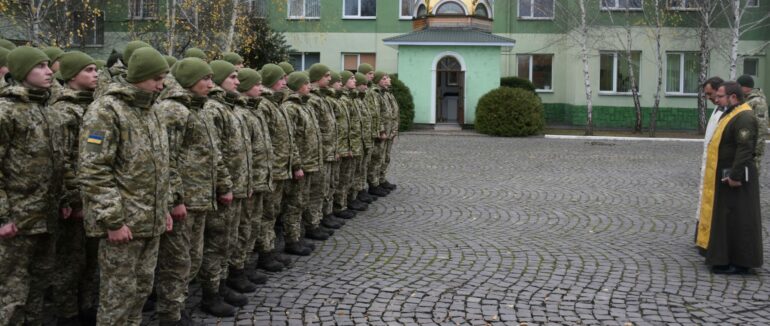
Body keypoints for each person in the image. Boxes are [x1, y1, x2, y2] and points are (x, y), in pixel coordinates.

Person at [78, 46, 174, 325]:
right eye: (156, 77)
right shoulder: (106, 111)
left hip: (150, 220)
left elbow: (160, 166)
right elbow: (93, 169)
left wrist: (164, 208)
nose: (162, 84)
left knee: (141, 290)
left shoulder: (151, 109)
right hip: (124, 225)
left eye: (164, 76)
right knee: (118, 297)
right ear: (139, 76)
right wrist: (113, 220)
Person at [157, 57, 235, 321]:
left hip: (201, 196)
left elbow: (213, 154)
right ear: (190, 80)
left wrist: (222, 184)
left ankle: (179, 305)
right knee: (177, 261)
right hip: (186, 200)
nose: (211, 84)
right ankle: (170, 314)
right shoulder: (173, 110)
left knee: (192, 257)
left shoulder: (197, 109)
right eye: (206, 78)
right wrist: (176, 198)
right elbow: (167, 158)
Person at [0, 46, 60, 326]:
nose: (49, 72)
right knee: (12, 288)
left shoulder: (45, 109)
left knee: (40, 281)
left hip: (45, 215)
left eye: (49, 66)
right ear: (23, 72)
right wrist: (3, 216)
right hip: (17, 217)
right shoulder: (6, 111)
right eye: (40, 67)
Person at [50, 50, 101, 325]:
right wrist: (74, 198)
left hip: (93, 196)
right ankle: (66, 313)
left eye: (96, 70)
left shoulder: (91, 107)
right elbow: (63, 160)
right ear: (71, 75)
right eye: (89, 70)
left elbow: (94, 151)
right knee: (69, 262)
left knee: (90, 260)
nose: (96, 75)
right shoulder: (63, 110)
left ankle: (87, 305)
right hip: (76, 200)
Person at [695, 81, 763, 275]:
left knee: (740, 219)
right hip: (725, 176)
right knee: (727, 219)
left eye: (720, 96)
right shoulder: (731, 113)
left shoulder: (744, 117)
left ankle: (741, 261)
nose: (717, 99)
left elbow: (744, 149)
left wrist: (735, 175)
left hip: (737, 178)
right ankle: (723, 257)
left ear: (733, 97)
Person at [200, 60, 251, 309]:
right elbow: (215, 152)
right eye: (232, 77)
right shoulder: (212, 109)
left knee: (228, 239)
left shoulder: (226, 107)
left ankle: (221, 284)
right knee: (217, 241)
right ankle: (211, 293)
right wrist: (223, 185)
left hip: (236, 185)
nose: (238, 81)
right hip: (224, 188)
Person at [255, 64, 297, 272]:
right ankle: (266, 253)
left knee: (272, 212)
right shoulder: (265, 105)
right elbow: (265, 140)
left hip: (280, 168)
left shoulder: (276, 103)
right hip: (271, 170)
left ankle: (270, 250)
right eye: (281, 79)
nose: (285, 82)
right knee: (267, 214)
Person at [234, 68, 272, 285]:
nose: (261, 87)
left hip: (256, 177)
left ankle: (245, 266)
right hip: (243, 182)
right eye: (256, 84)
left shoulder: (253, 110)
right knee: (242, 228)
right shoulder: (239, 112)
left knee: (253, 224)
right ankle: (236, 272)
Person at [282, 71, 322, 253]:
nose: (310, 86)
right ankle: (292, 239)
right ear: (298, 85)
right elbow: (291, 140)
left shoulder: (304, 105)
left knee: (303, 200)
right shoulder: (291, 107)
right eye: (306, 83)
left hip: (310, 161)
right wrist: (296, 164)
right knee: (295, 203)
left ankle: (300, 234)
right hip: (302, 163)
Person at [306, 64, 340, 239]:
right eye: (326, 76)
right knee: (317, 190)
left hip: (327, 150)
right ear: (317, 77)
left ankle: (321, 218)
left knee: (325, 186)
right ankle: (313, 223)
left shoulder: (322, 97)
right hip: (318, 153)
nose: (329, 78)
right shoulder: (312, 99)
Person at [737, 75, 768, 172]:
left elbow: (761, 127)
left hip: (753, 148)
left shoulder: (758, 102)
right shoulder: (746, 99)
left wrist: (756, 151)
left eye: (739, 86)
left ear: (745, 87)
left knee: (752, 174)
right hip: (746, 145)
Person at [374, 71, 399, 192]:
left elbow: (393, 113)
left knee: (386, 157)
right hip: (383, 133)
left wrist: (394, 130)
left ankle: (382, 178)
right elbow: (377, 115)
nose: (387, 80)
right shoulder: (377, 94)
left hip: (390, 131)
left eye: (387, 78)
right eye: (384, 78)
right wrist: (381, 131)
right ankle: (375, 182)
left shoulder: (387, 93)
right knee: (378, 157)